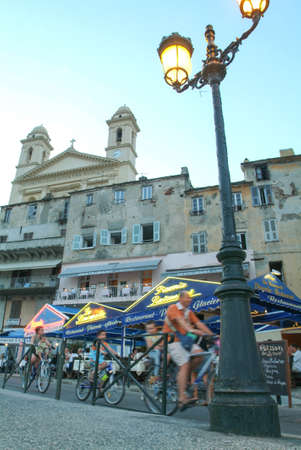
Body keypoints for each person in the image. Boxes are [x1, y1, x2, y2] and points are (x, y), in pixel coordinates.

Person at [162, 290, 213, 409]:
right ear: (180, 298)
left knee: (200, 354)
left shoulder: (189, 312)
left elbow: (199, 323)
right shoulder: (173, 308)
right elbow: (180, 321)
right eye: (187, 298)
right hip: (172, 341)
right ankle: (181, 398)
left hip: (186, 341)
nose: (190, 300)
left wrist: (211, 334)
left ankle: (185, 376)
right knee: (185, 364)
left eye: (190, 298)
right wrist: (191, 330)